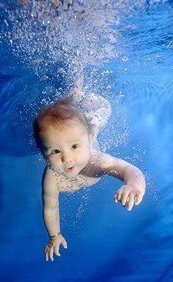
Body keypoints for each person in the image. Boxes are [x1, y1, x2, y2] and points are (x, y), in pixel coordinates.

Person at [33, 78, 146, 262]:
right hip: (81, 133)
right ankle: (71, 98)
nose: (67, 158)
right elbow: (51, 207)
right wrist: (55, 236)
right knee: (70, 128)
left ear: (88, 140)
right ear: (42, 153)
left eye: (75, 147)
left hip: (91, 126)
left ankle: (77, 93)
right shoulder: (50, 177)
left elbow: (130, 169)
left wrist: (134, 186)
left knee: (103, 110)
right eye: (55, 151)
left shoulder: (97, 161)